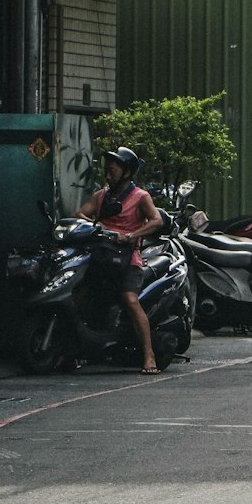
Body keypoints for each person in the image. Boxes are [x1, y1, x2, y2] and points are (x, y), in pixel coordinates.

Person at [78, 146, 163, 374]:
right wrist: (98, 226)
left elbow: (156, 221)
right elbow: (80, 214)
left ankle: (149, 355)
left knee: (130, 299)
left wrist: (131, 236)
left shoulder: (140, 197)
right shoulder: (102, 196)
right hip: (100, 255)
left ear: (126, 172)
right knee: (78, 294)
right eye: (106, 171)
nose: (108, 175)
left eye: (112, 171)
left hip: (127, 259)